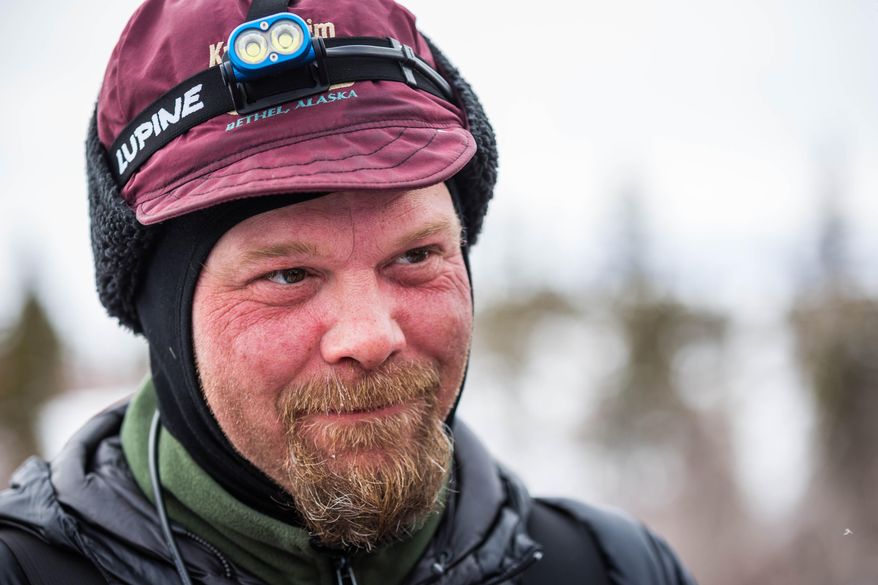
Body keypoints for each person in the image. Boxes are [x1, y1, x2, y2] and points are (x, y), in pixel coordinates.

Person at [0, 0, 697, 583]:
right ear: (163, 316)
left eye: (416, 255)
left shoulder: (615, 568)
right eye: (288, 275)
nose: (370, 336)